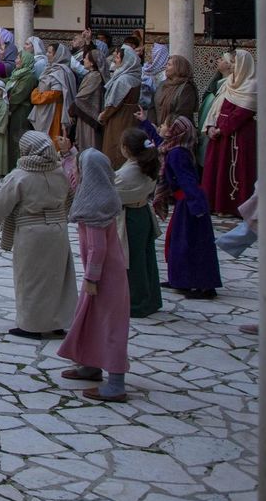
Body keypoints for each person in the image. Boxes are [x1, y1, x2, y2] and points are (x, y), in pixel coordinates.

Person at [0, 130, 79, 339]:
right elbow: (70, 197)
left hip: (31, 232)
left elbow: (1, 205)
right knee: (57, 277)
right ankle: (57, 321)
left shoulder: (20, 176)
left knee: (31, 279)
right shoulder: (59, 172)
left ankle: (31, 325)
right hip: (58, 230)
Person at [57, 148, 132, 402]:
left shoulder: (94, 205)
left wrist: (91, 278)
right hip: (102, 275)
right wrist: (69, 155)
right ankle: (91, 364)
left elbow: (97, 248)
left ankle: (117, 384)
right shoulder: (98, 193)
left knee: (110, 325)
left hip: (105, 278)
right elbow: (72, 176)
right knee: (90, 319)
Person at [149, 115, 222, 298]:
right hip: (186, 201)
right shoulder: (176, 149)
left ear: (174, 131)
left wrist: (197, 206)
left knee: (192, 244)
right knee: (177, 241)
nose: (161, 127)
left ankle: (203, 286)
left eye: (165, 125)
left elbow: (187, 180)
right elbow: (159, 143)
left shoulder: (177, 154)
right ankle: (181, 279)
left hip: (190, 202)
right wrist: (145, 123)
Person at [201, 48, 257, 215]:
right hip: (221, 135)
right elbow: (217, 107)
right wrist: (211, 126)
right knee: (218, 169)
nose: (232, 66)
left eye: (234, 62)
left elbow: (243, 112)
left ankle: (236, 207)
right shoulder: (229, 83)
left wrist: (222, 128)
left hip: (239, 136)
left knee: (238, 171)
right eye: (231, 62)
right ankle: (217, 204)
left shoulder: (251, 86)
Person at [115, 126, 163, 318]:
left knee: (134, 261)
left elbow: (111, 194)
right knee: (146, 257)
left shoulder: (127, 174)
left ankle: (136, 302)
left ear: (126, 148)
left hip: (131, 216)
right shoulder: (148, 165)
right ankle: (151, 299)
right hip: (143, 212)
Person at [98, 43, 142, 159]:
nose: (115, 60)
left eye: (118, 58)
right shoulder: (134, 76)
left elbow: (114, 103)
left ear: (126, 60)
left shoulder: (123, 80)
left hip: (120, 118)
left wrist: (104, 116)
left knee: (116, 147)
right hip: (131, 116)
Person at [2, 47, 39, 174]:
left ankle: (18, 169)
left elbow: (19, 95)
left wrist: (8, 106)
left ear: (25, 60)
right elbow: (7, 83)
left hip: (21, 112)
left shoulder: (28, 77)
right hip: (14, 110)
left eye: (19, 58)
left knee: (18, 138)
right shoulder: (17, 74)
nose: (16, 60)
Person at [30, 43, 77, 140]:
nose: (47, 54)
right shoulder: (51, 68)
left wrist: (36, 96)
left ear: (57, 55)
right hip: (45, 109)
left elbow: (56, 92)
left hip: (53, 111)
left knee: (52, 138)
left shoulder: (60, 71)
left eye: (50, 52)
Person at [69, 43, 106, 154]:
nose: (83, 60)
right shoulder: (91, 75)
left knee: (88, 142)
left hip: (89, 116)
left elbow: (81, 97)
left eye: (85, 58)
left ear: (92, 62)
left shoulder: (95, 76)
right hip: (84, 113)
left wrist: (72, 110)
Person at [154, 52, 199, 130]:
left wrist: (165, 128)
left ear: (179, 68)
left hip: (177, 131)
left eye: (169, 65)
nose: (166, 67)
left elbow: (182, 114)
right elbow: (153, 106)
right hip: (159, 129)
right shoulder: (163, 84)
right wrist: (153, 125)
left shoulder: (187, 88)